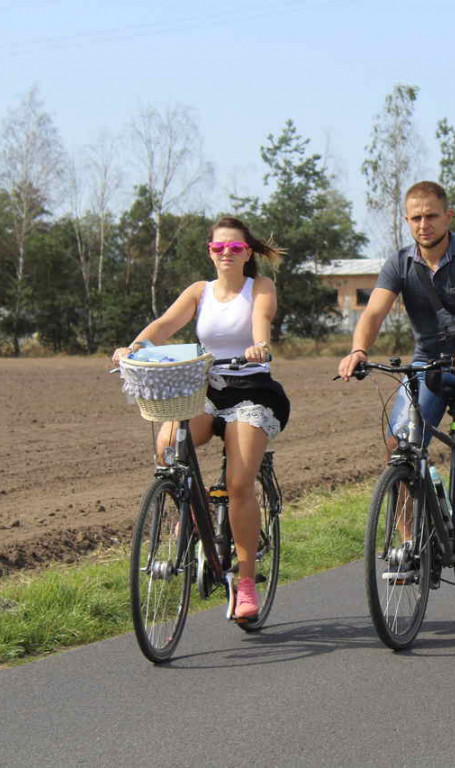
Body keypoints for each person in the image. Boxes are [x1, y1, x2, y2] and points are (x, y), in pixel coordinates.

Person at [112, 216, 290, 620]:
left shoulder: (259, 287)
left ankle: (245, 583)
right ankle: (193, 512)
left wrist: (260, 345)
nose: (226, 253)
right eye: (218, 247)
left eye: (236, 248)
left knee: (239, 482)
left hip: (252, 391)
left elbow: (261, 319)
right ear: (209, 252)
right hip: (206, 390)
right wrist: (135, 346)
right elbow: (164, 325)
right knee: (166, 445)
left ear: (248, 254)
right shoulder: (199, 291)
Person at [337, 181, 455, 548]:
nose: (423, 224)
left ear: (448, 216)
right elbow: (374, 311)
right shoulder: (399, 263)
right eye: (415, 217)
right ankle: (409, 540)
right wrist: (358, 350)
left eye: (431, 215)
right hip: (427, 364)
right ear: (406, 220)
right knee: (399, 444)